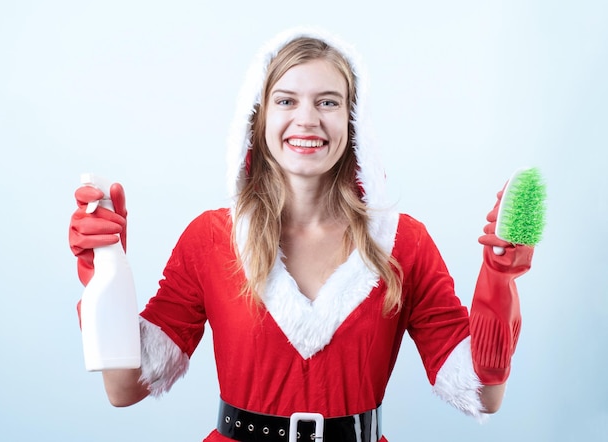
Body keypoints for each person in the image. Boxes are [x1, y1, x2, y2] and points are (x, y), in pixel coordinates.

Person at [69, 27, 534, 442]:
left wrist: (499, 280)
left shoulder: (403, 242)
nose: (307, 120)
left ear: (354, 122)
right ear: (259, 118)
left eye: (327, 101)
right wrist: (106, 280)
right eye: (286, 100)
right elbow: (123, 389)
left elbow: (482, 394)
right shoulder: (210, 239)